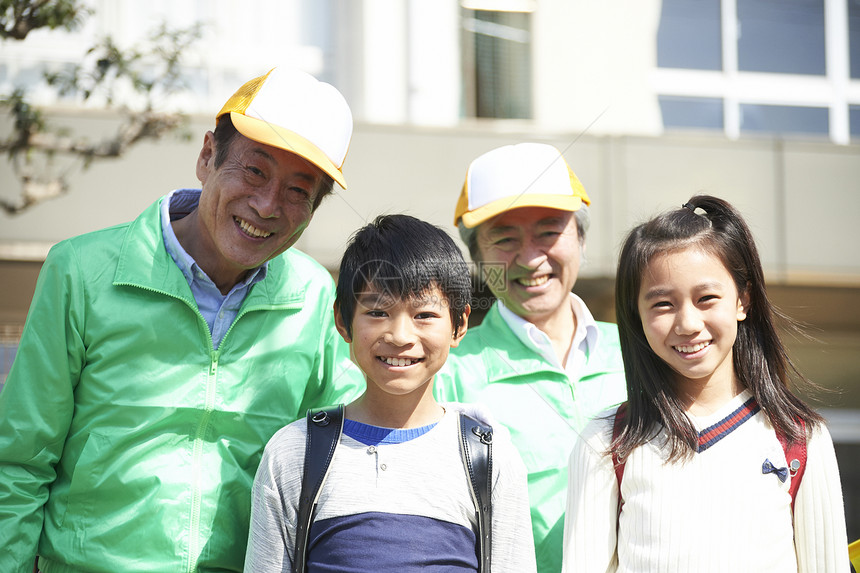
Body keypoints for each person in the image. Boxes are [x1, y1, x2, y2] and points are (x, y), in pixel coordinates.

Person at [0, 66, 364, 572]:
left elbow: (343, 458)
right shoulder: (81, 271)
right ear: (207, 155)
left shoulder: (312, 296)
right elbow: (18, 463)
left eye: (298, 191)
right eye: (254, 171)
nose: (266, 205)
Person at [562, 196, 849, 572]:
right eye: (663, 304)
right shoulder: (605, 442)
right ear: (636, 313)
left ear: (743, 300)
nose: (687, 324)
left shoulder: (800, 438)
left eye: (706, 298)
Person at [244, 214, 537, 572]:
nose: (400, 336)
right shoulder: (293, 454)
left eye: (424, 314)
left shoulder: (489, 460)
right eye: (378, 311)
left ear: (459, 325)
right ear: (342, 320)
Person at [434, 142, 627, 573]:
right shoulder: (451, 375)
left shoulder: (642, 353)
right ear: (478, 258)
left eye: (548, 232)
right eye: (504, 238)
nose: (530, 258)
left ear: (580, 237)